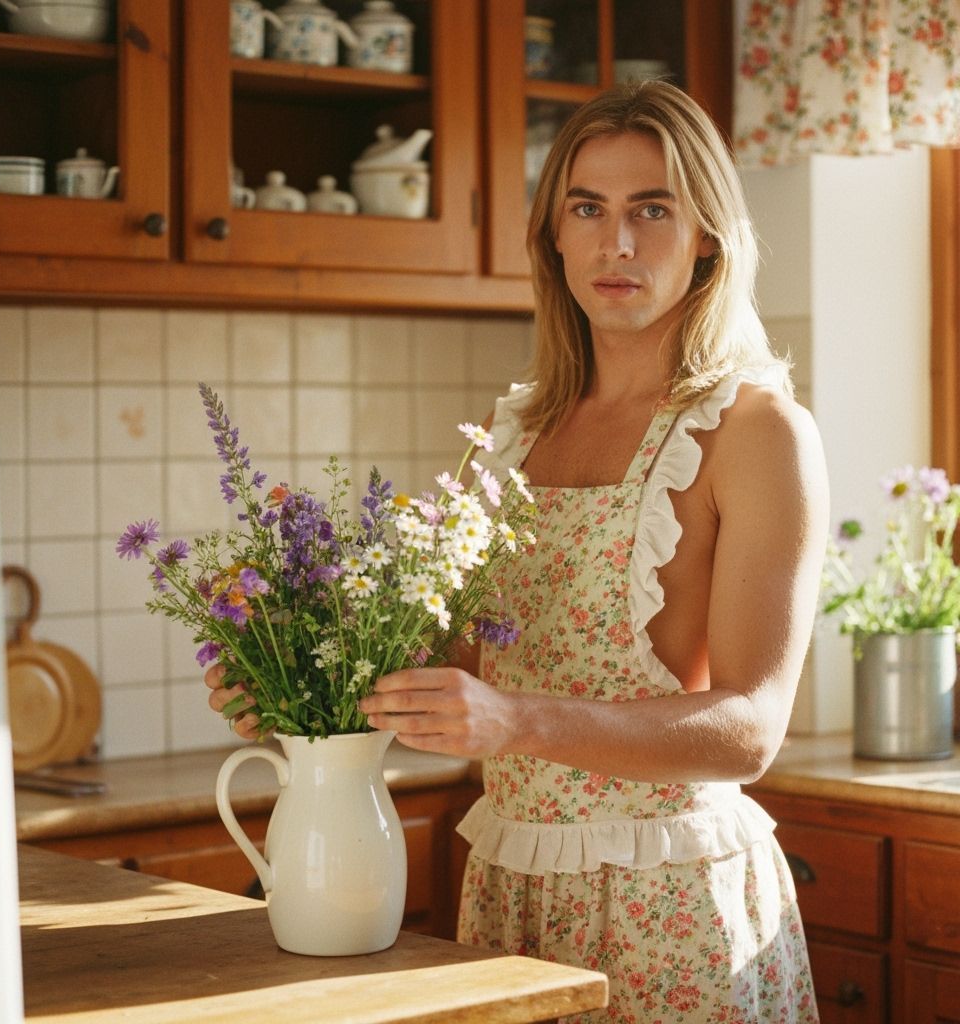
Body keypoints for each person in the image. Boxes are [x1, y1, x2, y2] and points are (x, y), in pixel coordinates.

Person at [207, 80, 828, 1022]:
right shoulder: (509, 436)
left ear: (708, 235)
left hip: (674, 906)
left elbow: (749, 730)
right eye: (589, 209)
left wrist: (517, 719)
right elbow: (456, 681)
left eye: (651, 210)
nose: (616, 243)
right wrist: (298, 693)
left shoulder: (756, 429)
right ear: (555, 235)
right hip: (509, 889)